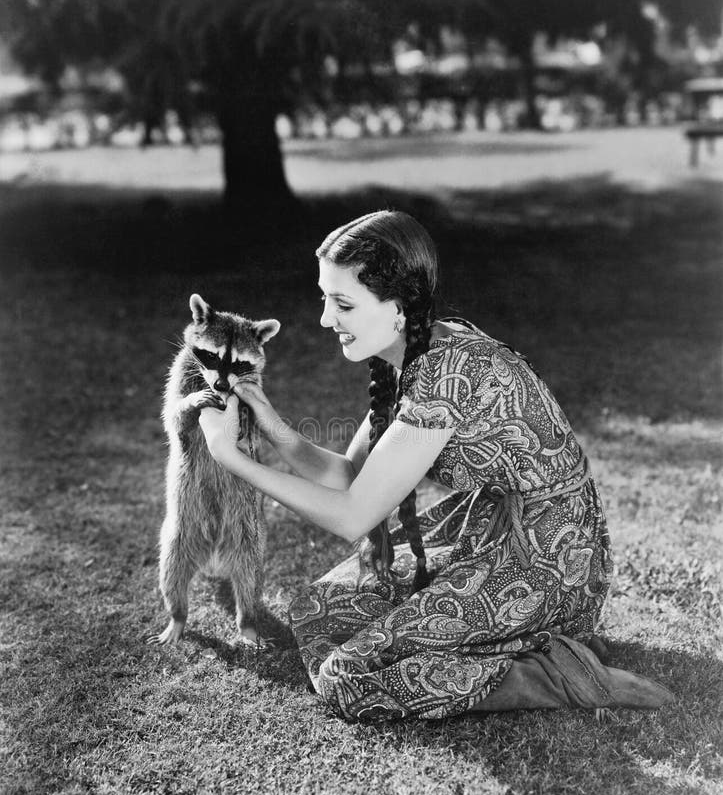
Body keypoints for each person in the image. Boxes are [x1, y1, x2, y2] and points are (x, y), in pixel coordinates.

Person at [198, 210, 673, 722]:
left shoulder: (446, 379)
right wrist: (268, 423)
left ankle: (556, 672)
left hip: (551, 557)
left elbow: (353, 515)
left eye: (342, 303)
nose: (324, 319)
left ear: (397, 307)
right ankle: (517, 641)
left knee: (347, 677)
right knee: (314, 611)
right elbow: (351, 476)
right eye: (324, 298)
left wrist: (231, 458)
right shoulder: (413, 350)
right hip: (490, 528)